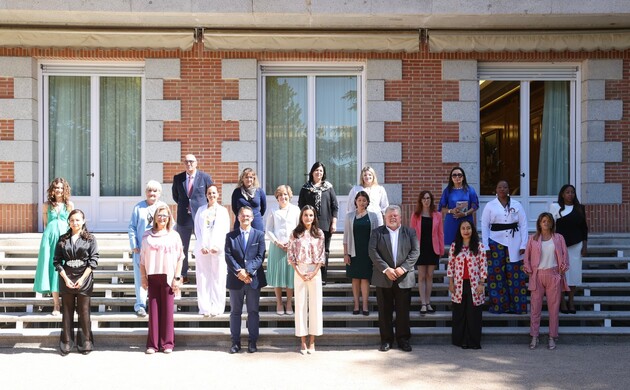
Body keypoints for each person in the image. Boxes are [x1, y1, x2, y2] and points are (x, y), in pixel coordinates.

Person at [369, 205, 419, 352]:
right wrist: (386, 269)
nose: (393, 217)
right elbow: (372, 251)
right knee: (384, 311)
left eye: (395, 215)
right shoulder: (377, 232)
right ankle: (386, 340)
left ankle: (403, 339)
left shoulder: (410, 232)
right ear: (385, 217)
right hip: (383, 277)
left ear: (400, 217)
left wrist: (403, 268)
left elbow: (415, 252)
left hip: (404, 278)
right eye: (390, 215)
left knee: (403, 311)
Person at [140, 205, 184, 354]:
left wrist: (177, 278)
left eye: (165, 215)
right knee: (153, 311)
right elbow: (142, 260)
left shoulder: (174, 235)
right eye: (159, 215)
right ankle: (153, 344)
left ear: (169, 218)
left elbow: (180, 258)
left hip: (168, 276)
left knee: (167, 312)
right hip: (152, 275)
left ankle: (167, 344)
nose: (162, 218)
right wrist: (143, 277)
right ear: (155, 218)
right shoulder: (147, 235)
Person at [53, 209, 98, 355]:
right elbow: (57, 261)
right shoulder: (63, 239)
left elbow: (93, 261)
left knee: (84, 312)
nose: (75, 223)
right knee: (67, 311)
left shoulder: (90, 239)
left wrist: (82, 279)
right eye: (72, 220)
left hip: (84, 277)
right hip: (67, 277)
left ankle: (86, 343)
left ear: (83, 221)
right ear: (68, 222)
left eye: (78, 220)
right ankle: (66, 343)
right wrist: (65, 279)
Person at [524, 212, 570, 350]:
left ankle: (552, 337)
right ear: (539, 223)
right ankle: (534, 336)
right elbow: (527, 257)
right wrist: (528, 269)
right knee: (535, 308)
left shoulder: (558, 238)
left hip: (553, 275)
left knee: (554, 309)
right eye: (543, 221)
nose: (546, 223)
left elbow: (564, 255)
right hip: (538, 276)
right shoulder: (533, 239)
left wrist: (562, 269)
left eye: (548, 221)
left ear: (552, 223)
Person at [481, 180, 529, 314]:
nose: (502, 189)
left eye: (505, 187)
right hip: (495, 242)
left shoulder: (517, 204)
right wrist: (486, 246)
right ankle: (499, 306)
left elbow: (524, 224)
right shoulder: (490, 206)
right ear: (496, 189)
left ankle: (518, 306)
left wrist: (524, 244)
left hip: (515, 243)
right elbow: (484, 226)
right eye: (500, 187)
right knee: (496, 275)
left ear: (509, 189)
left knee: (515, 275)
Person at [225, 206, 267, 354]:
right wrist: (240, 272)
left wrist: (248, 271)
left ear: (252, 218)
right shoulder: (230, 236)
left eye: (248, 216)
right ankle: (235, 342)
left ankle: (252, 341)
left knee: (253, 312)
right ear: (238, 217)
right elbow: (228, 256)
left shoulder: (259, 235)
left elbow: (260, 256)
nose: (245, 218)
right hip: (236, 280)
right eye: (243, 215)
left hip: (253, 280)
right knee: (235, 312)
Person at [288, 205, 326, 354]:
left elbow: (322, 255)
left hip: (314, 271)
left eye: (311, 215)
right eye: (305, 215)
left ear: (314, 217)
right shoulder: (295, 234)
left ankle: (312, 341)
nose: (308, 218)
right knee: (301, 305)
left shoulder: (319, 233)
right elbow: (291, 256)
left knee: (315, 306)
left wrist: (314, 272)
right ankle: (302, 342)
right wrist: (299, 272)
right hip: (299, 271)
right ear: (301, 217)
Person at [34, 178, 73, 316]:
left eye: (61, 188)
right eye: (56, 187)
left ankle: (68, 304)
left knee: (65, 269)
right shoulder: (46, 205)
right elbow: (46, 223)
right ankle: (56, 305)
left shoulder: (69, 205)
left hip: (64, 240)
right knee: (53, 269)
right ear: (52, 189)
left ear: (65, 190)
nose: (59, 190)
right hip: (49, 240)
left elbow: (72, 224)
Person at [172, 153, 214, 283]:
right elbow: (176, 196)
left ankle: (205, 273)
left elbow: (210, 194)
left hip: (200, 218)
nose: (189, 164)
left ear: (196, 163)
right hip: (183, 218)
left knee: (204, 244)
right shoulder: (178, 178)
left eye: (191, 161)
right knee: (182, 247)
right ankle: (182, 274)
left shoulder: (205, 177)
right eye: (186, 162)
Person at [127, 180, 166, 317]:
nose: (152, 193)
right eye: (150, 190)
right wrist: (134, 245)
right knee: (140, 277)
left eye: (155, 191)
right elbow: (132, 227)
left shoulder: (163, 207)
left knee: (157, 278)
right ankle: (140, 305)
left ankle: (155, 304)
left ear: (159, 193)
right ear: (146, 192)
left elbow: (169, 226)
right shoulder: (139, 207)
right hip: (141, 250)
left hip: (158, 251)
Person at [447, 220, 487, 350]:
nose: (466, 231)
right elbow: (450, 265)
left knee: (473, 313)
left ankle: (473, 341)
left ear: (472, 230)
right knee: (460, 312)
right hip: (459, 284)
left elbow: (483, 266)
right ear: (459, 231)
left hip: (475, 284)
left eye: (468, 228)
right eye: (463, 228)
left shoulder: (479, 246)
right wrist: (451, 283)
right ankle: (461, 340)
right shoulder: (454, 246)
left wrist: (482, 283)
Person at [550, 184, 588, 314]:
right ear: (562, 194)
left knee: (574, 273)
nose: (570, 194)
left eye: (572, 192)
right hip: (560, 246)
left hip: (576, 245)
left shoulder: (580, 208)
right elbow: (550, 227)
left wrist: (585, 245)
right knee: (561, 274)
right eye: (567, 192)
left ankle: (571, 300)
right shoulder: (555, 207)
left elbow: (584, 228)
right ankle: (562, 302)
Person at [298, 162, 338, 284]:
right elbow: (301, 205)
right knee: (310, 249)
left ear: (323, 173)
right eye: (316, 170)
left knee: (324, 250)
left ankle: (322, 277)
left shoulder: (328, 187)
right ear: (312, 172)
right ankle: (311, 274)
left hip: (325, 224)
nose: (318, 173)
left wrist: (334, 223)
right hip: (309, 225)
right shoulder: (305, 188)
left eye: (321, 171)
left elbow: (334, 206)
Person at [193, 185, 230, 317]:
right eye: (209, 193)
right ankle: (205, 307)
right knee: (203, 278)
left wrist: (218, 246)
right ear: (206, 195)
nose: (211, 195)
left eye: (214, 193)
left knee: (218, 278)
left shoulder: (223, 211)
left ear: (218, 194)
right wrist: (202, 245)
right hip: (203, 249)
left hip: (217, 250)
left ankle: (217, 307)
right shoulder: (201, 210)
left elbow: (226, 230)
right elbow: (197, 229)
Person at [343, 191, 380, 315]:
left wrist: (376, 254)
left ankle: (365, 305)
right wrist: (345, 254)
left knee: (365, 278)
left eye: (364, 200)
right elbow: (346, 236)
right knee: (355, 278)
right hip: (354, 251)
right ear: (355, 202)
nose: (362, 202)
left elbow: (377, 236)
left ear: (368, 202)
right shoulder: (349, 216)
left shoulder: (373, 216)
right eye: (359, 200)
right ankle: (356, 305)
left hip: (367, 252)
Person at [266, 185, 300, 315]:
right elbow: (268, 229)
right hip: (277, 247)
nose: (283, 197)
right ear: (277, 197)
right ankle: (279, 302)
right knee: (278, 276)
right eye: (280, 195)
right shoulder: (273, 210)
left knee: (290, 276)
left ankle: (289, 302)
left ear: (289, 196)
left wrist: (292, 242)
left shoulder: (296, 210)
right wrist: (277, 242)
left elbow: (299, 228)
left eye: (285, 194)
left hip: (292, 247)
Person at [410, 190, 444, 315]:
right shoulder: (415, 215)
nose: (426, 200)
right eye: (424, 198)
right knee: (422, 276)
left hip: (432, 248)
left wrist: (440, 250)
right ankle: (423, 303)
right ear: (420, 200)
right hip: (420, 249)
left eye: (428, 198)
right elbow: (412, 234)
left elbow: (440, 233)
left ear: (431, 200)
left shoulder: (437, 215)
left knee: (430, 276)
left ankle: (428, 302)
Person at [438, 166, 480, 246]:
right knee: (451, 246)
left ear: (463, 177)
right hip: (452, 221)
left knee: (468, 245)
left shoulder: (470, 190)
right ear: (451, 178)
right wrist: (451, 211)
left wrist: (465, 213)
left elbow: (475, 205)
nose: (457, 177)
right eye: (454, 175)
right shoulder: (447, 191)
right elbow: (441, 208)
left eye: (459, 175)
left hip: (466, 220)